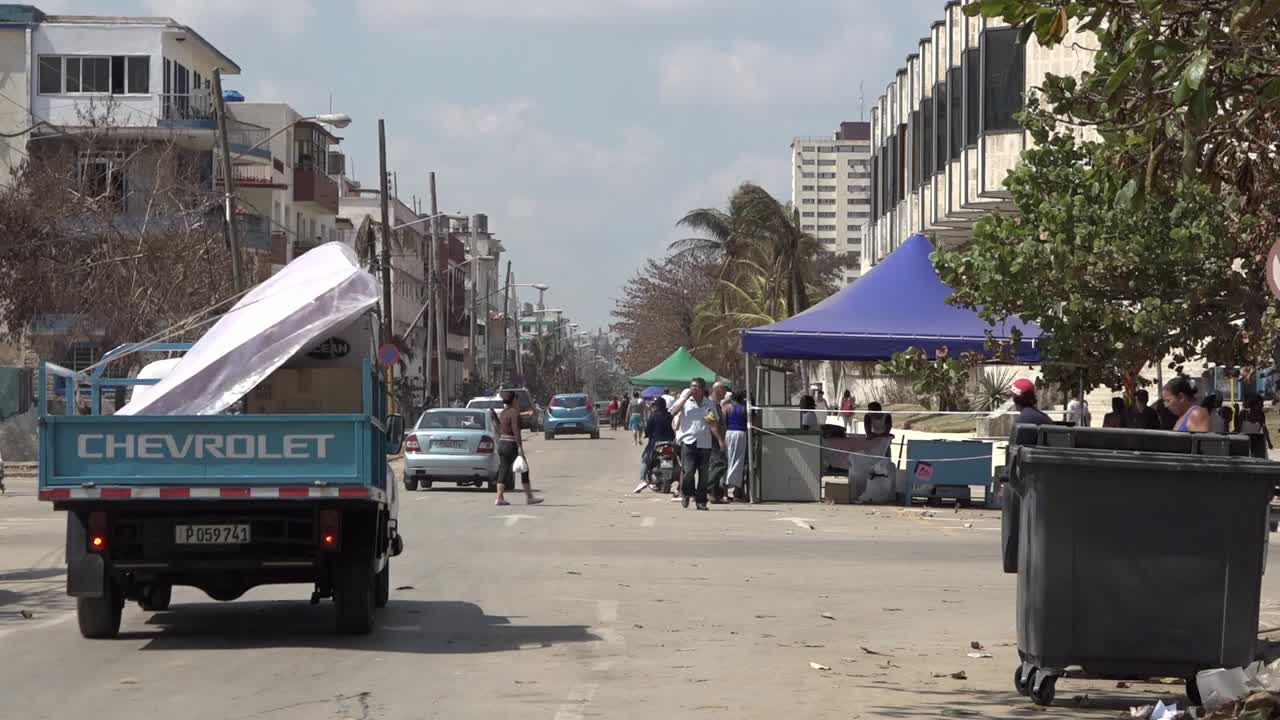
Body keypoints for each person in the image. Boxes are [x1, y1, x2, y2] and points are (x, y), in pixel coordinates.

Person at [670, 377, 717, 510]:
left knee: (704, 474)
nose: (693, 389)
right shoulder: (685, 402)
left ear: (702, 389)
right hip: (688, 442)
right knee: (688, 471)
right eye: (691, 386)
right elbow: (673, 412)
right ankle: (686, 493)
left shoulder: (709, 404)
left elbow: (713, 422)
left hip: (705, 443)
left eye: (696, 387)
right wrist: (684, 399)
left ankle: (701, 501)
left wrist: (720, 440)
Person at [494, 390, 543, 506]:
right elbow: (516, 430)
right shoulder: (514, 413)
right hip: (511, 445)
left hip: (502, 444)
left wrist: (525, 415)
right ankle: (529, 497)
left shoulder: (503, 413)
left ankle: (499, 497)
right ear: (514, 400)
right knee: (525, 470)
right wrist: (519, 447)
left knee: (503, 470)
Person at [637, 397, 676, 491]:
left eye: (654, 405)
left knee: (645, 459)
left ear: (657, 406)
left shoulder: (653, 416)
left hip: (656, 443)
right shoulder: (669, 415)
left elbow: (648, 429)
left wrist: (646, 434)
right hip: (670, 442)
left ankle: (642, 480)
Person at [723, 389, 748, 502]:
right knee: (739, 462)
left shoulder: (727, 407)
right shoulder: (745, 408)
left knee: (727, 461)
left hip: (729, 433)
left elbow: (723, 422)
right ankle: (738, 491)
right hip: (741, 434)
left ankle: (724, 492)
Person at [707, 382, 730, 503]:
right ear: (718, 390)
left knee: (714, 466)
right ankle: (704, 487)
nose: (726, 393)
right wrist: (721, 440)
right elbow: (712, 425)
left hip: (716, 439)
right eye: (724, 390)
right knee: (721, 464)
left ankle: (714, 495)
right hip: (713, 440)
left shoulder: (717, 405)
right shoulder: (711, 405)